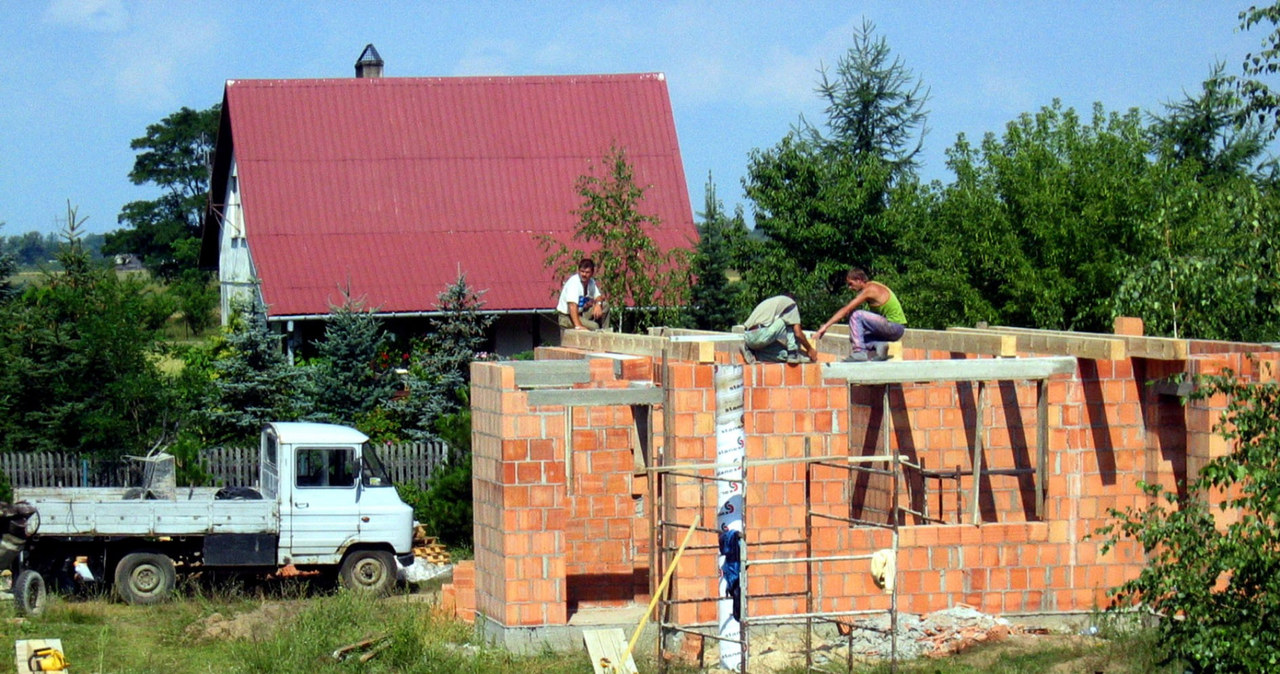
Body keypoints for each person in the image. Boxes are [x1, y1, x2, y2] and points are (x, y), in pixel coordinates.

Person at [815, 268, 907, 362]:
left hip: (895, 327)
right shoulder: (872, 286)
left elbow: (846, 309)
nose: (850, 287)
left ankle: (859, 352)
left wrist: (826, 326)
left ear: (859, 280)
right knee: (855, 336)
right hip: (893, 329)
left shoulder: (870, 290)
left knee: (856, 315)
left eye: (851, 284)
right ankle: (879, 344)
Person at [741, 295, 819, 364]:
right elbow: (798, 333)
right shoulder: (791, 304)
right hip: (761, 334)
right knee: (790, 322)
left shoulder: (772, 304)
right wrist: (810, 349)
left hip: (749, 339)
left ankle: (753, 353)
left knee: (783, 354)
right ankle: (793, 353)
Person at [556, 258, 608, 331]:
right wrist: (578, 326)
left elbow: (599, 296)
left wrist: (598, 304)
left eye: (587, 272)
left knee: (605, 306)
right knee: (594, 326)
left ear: (592, 273)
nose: (584, 274)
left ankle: (605, 332)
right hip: (567, 317)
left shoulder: (591, 282)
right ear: (578, 271)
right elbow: (572, 306)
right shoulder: (574, 283)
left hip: (581, 313)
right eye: (582, 271)